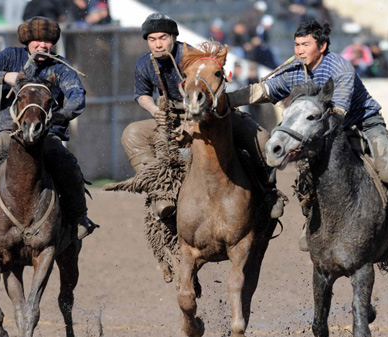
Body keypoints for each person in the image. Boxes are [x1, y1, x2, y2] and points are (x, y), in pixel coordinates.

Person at [227, 20, 388, 249]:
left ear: (322, 46)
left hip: (363, 124)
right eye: (296, 44)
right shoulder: (295, 70)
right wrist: (224, 100)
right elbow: (261, 91)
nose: (299, 50)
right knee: (305, 180)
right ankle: (312, 221)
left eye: (305, 44)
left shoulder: (340, 68)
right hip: (323, 134)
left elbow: (339, 113)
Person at [121, 13, 285, 220]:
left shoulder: (193, 57)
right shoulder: (144, 64)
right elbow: (142, 95)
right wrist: (155, 111)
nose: (158, 44)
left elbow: (211, 90)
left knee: (261, 139)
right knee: (132, 134)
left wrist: (194, 119)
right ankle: (159, 191)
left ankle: (269, 193)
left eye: (163, 38)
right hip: (171, 118)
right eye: (152, 40)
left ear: (173, 37)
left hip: (212, 115)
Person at [0, 16, 97, 241]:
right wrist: (4, 76)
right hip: (11, 133)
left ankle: (79, 216)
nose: (42, 44)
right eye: (36, 39)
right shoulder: (10, 56)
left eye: (47, 40)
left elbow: (77, 98)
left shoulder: (60, 67)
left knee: (67, 164)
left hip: (48, 134)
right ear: (27, 41)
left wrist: (56, 118)